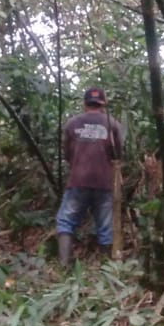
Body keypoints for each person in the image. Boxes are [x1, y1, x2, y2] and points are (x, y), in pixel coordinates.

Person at [56, 87, 123, 265]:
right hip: (104, 183)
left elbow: (67, 155)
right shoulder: (112, 124)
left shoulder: (72, 124)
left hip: (78, 181)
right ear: (103, 104)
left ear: (85, 103)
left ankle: (64, 265)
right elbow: (118, 156)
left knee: (66, 221)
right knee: (105, 226)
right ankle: (107, 269)